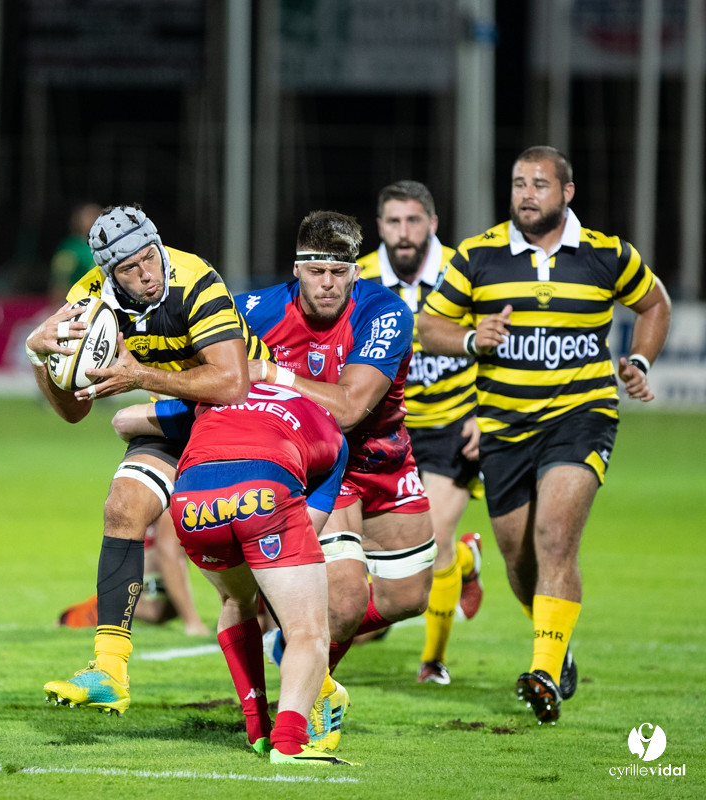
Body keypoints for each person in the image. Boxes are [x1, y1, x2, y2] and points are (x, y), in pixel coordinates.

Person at [418, 146, 671, 724]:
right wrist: (469, 338)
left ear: (567, 193)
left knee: (556, 538)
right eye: (517, 184)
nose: (526, 194)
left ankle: (543, 673)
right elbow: (428, 325)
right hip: (505, 429)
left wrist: (640, 359)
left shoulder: (607, 255)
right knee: (518, 559)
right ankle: (558, 646)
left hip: (581, 418)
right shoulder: (479, 256)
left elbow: (655, 303)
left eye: (538, 184)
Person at [26, 204, 267, 715]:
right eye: (129, 269)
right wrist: (40, 358)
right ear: (107, 274)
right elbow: (72, 412)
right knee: (123, 508)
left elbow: (232, 382)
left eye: (148, 258)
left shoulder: (195, 279)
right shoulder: (86, 302)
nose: (146, 274)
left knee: (233, 559)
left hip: (247, 415)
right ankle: (110, 669)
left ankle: (301, 653)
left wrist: (143, 379)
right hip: (179, 413)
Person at [239, 211, 434, 748]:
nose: (327, 283)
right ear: (296, 269)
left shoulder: (384, 312)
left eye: (338, 271)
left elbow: (349, 408)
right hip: (322, 465)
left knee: (409, 597)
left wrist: (273, 373)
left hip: (384, 461)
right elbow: (203, 365)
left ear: (355, 272)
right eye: (316, 270)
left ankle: (297, 647)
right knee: (344, 602)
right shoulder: (253, 311)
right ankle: (310, 691)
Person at [110, 380, 351, 764]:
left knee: (235, 599)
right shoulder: (329, 426)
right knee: (307, 629)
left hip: (192, 501)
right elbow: (308, 527)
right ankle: (289, 743)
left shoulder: (218, 396)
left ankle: (257, 729)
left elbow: (123, 419)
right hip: (265, 491)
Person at [357, 181, 485, 685]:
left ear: (432, 223)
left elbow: (495, 345)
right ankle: (468, 564)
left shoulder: (464, 272)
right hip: (387, 429)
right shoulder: (360, 276)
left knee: (435, 538)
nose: (403, 232)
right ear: (380, 226)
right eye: (393, 221)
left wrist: (485, 412)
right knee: (383, 552)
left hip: (453, 425)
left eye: (413, 221)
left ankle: (432, 662)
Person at [56, 515, 212, 637]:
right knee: (155, 611)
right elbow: (167, 550)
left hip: (158, 533)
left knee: (167, 611)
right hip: (149, 542)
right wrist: (193, 622)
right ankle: (99, 607)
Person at [48, 202, 102, 307]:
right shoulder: (71, 248)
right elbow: (61, 279)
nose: (94, 219)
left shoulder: (108, 247)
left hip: (102, 302)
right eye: (89, 215)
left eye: (97, 215)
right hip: (77, 303)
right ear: (78, 220)